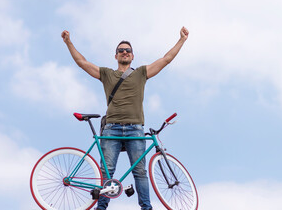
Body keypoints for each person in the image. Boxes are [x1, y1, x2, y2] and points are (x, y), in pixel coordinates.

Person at [61, 27, 189, 210]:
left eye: (127, 50)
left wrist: (182, 40)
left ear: (132, 56)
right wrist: (68, 42)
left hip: (135, 128)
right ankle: (101, 207)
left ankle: (146, 207)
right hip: (111, 128)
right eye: (120, 50)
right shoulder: (107, 74)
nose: (124, 52)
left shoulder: (141, 73)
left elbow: (166, 59)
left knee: (140, 172)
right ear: (116, 56)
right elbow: (82, 62)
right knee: (107, 172)